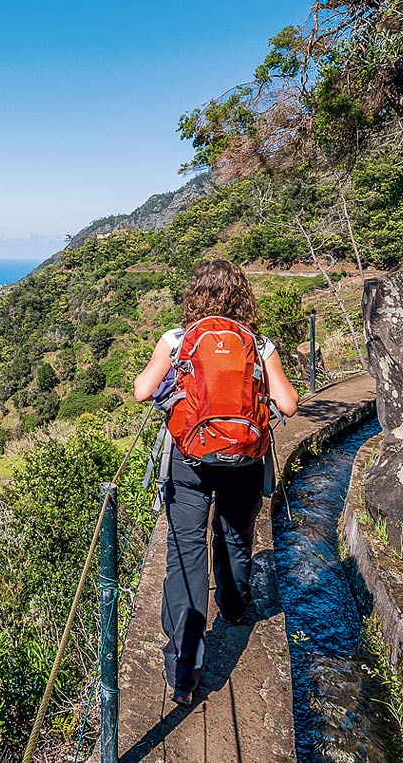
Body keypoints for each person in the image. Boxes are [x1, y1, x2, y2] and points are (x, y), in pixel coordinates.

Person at [132, 259, 299, 704]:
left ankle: (184, 674)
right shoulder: (259, 344)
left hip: (189, 460)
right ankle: (235, 604)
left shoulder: (177, 339)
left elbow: (142, 391)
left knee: (186, 557)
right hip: (244, 460)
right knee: (235, 536)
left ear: (195, 296)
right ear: (243, 296)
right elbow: (289, 403)